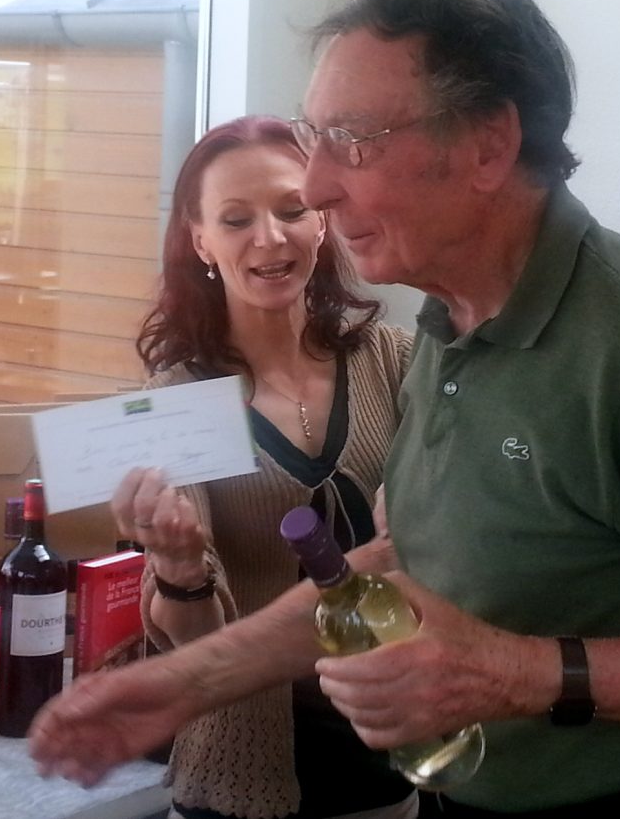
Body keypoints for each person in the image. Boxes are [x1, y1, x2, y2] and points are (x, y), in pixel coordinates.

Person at [31, 0, 620, 818]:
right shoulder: (446, 322)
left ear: (488, 146)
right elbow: (400, 558)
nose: (316, 187)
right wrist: (185, 681)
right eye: (315, 137)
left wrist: (519, 673)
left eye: (353, 140)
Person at [102, 114, 417, 819]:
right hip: (242, 776)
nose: (270, 239)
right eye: (237, 219)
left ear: (322, 220)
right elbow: (197, 645)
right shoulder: (176, 403)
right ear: (201, 241)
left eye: (292, 210)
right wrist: (179, 568)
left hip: (392, 766)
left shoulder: (394, 360)